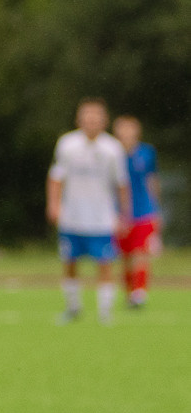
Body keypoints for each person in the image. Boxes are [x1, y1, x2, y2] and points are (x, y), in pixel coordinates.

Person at [49, 98, 131, 325]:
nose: (91, 120)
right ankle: (73, 308)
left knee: (105, 264)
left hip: (102, 219)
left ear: (104, 120)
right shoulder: (67, 144)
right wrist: (54, 204)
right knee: (69, 262)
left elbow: (121, 184)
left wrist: (124, 214)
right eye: (87, 115)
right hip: (72, 217)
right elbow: (56, 177)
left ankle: (105, 313)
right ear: (79, 118)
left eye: (96, 116)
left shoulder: (113, 148)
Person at [114, 114, 160, 310]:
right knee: (125, 256)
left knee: (140, 253)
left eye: (129, 128)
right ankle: (129, 292)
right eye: (122, 129)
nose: (126, 133)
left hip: (143, 211)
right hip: (120, 214)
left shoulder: (147, 153)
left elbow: (152, 181)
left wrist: (156, 209)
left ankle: (139, 293)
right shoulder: (112, 153)